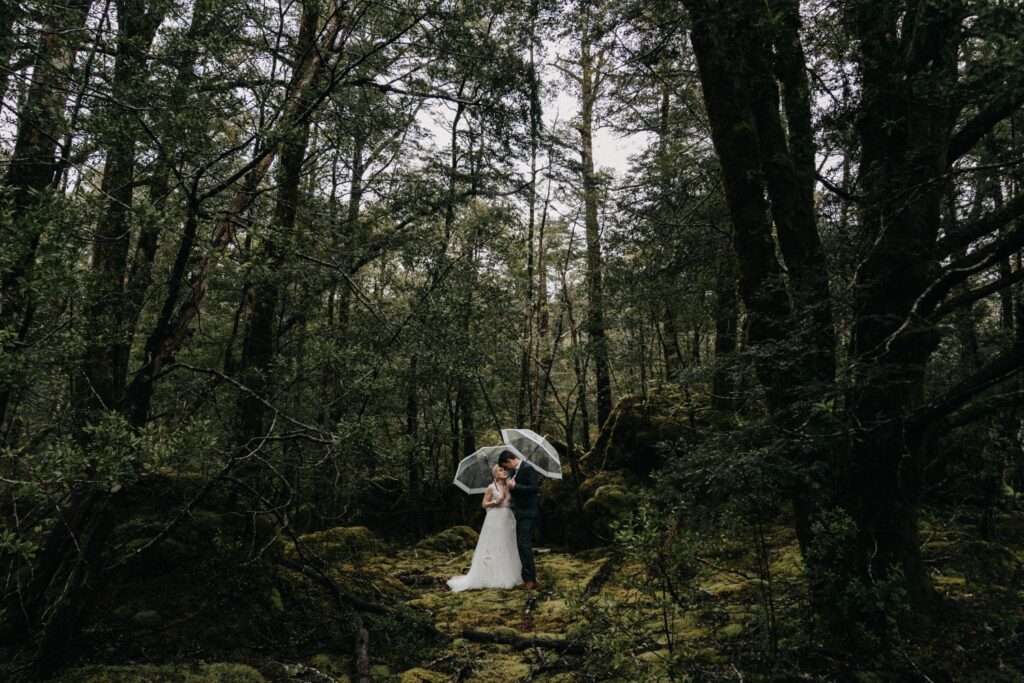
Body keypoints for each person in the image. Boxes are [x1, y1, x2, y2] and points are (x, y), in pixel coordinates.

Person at [447, 464, 523, 591]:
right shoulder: (491, 487)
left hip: (508, 517)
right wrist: (495, 501)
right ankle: (491, 575)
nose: (504, 471)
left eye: (505, 470)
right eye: (501, 470)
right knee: (495, 544)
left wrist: (511, 491)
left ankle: (508, 573)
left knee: (507, 544)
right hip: (494, 518)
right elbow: (484, 504)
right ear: (495, 474)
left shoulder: (510, 485)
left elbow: (512, 501)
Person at [499, 451, 540, 590]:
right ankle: (527, 577)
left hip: (529, 512)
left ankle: (530, 580)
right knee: (521, 545)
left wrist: (516, 487)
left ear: (510, 460)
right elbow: (518, 493)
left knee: (524, 545)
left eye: (506, 466)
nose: (507, 469)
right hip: (520, 513)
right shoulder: (514, 473)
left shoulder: (528, 468)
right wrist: (511, 487)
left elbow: (534, 488)